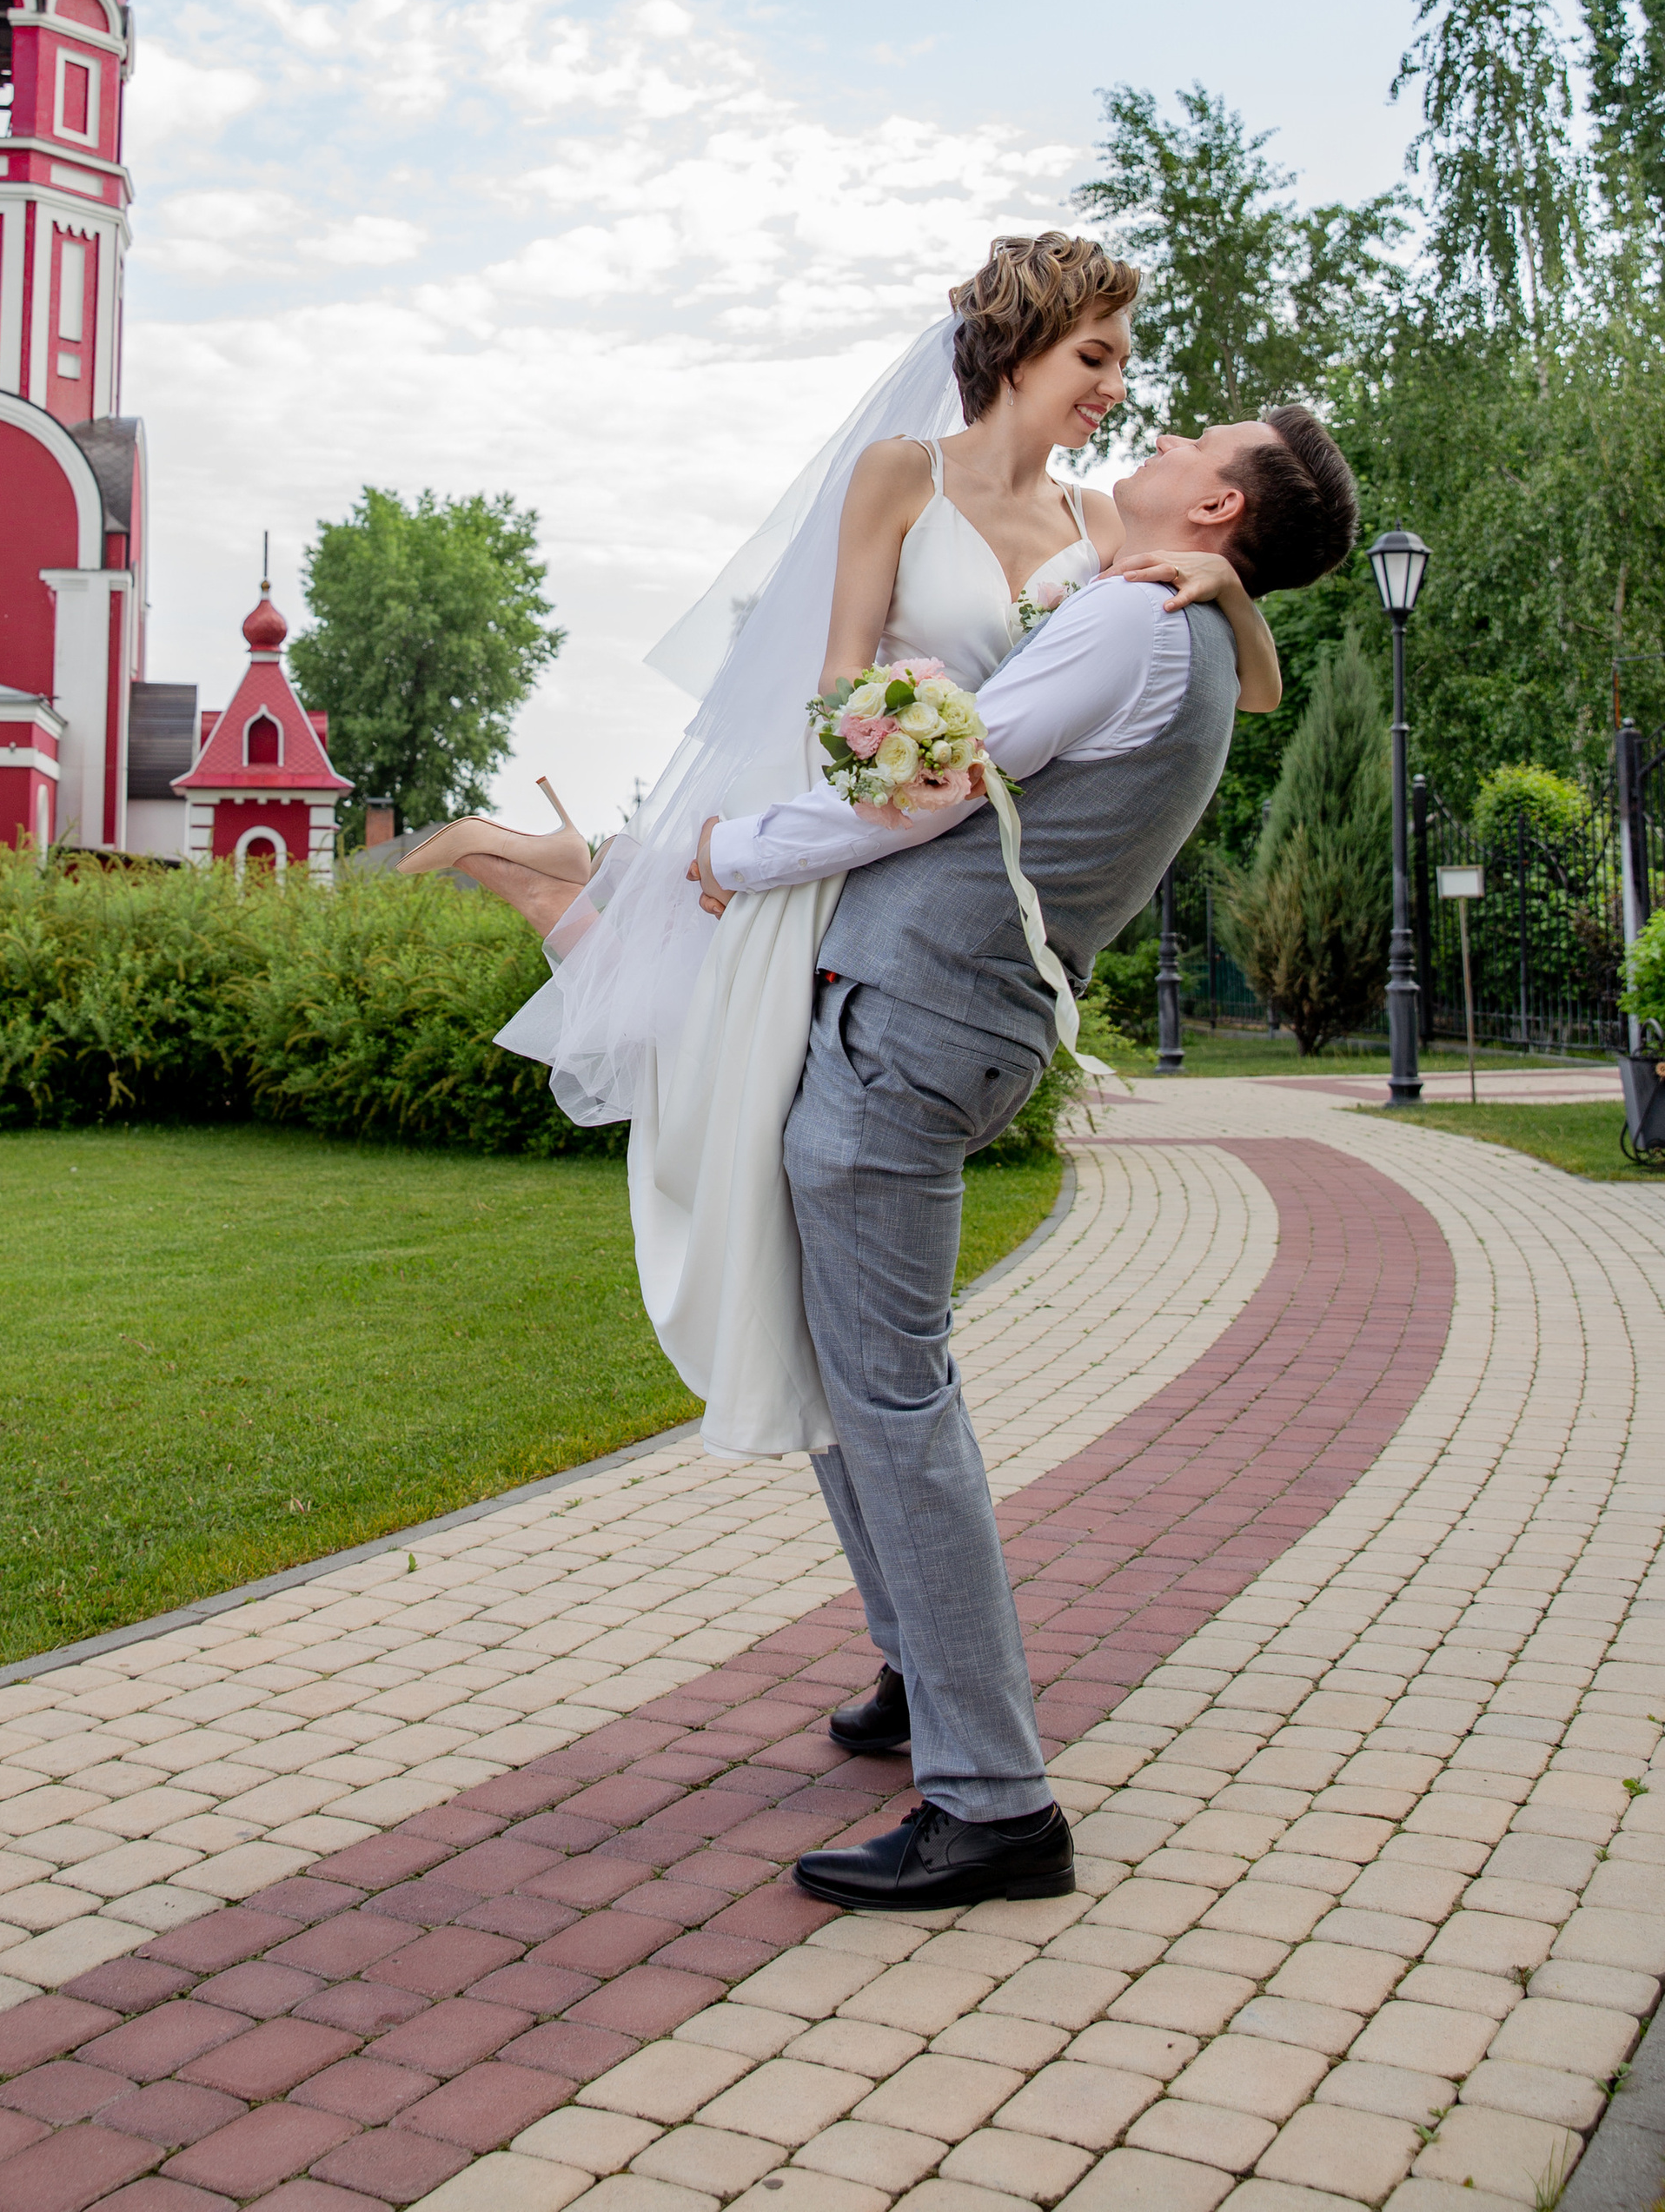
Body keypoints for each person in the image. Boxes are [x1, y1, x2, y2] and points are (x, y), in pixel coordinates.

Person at [407, 235, 1283, 1456]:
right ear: (1022, 347)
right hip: (863, 804)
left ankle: (574, 863)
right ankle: (573, 865)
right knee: (710, 1078)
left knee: (723, 1079)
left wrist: (1231, 590)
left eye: (1119, 362)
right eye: (1096, 356)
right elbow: (840, 674)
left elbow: (1251, 694)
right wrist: (871, 773)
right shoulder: (902, 474)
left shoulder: (1102, 521)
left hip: (944, 857)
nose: (1115, 387)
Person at [690, 406, 1359, 1911]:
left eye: (1201, 438)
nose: (1163, 429)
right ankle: (923, 1673)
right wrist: (1240, 592)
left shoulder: (1130, 625)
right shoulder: (1181, 622)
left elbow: (932, 788)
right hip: (952, 1019)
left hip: (914, 1021)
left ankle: (994, 1803)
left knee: (890, 1395)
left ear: (1221, 506)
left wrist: (730, 855)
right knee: (861, 1373)